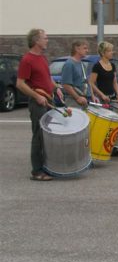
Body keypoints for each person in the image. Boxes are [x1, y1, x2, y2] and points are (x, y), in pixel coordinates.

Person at [16, 28, 64, 181]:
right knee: (39, 135)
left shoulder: (42, 58)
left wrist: (56, 88)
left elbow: (47, 78)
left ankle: (46, 166)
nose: (47, 40)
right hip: (38, 102)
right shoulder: (27, 60)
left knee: (47, 136)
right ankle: (37, 171)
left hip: (48, 99)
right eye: (45, 38)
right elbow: (20, 84)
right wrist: (36, 96)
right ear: (36, 40)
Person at [89, 41, 118, 157]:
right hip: (102, 100)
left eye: (112, 50)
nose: (112, 53)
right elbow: (91, 83)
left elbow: (114, 82)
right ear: (103, 52)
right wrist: (101, 95)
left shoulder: (112, 65)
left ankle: (112, 148)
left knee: (113, 124)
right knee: (104, 124)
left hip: (112, 98)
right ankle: (100, 147)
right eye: (110, 51)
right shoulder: (97, 66)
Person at [61, 40, 91, 109]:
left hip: (84, 100)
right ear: (77, 49)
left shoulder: (82, 64)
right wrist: (77, 98)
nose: (87, 50)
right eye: (85, 48)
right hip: (73, 101)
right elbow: (66, 85)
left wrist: (92, 96)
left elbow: (86, 82)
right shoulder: (69, 64)